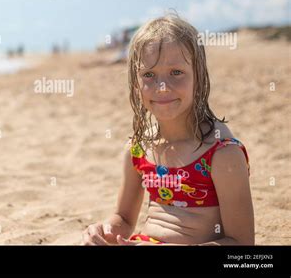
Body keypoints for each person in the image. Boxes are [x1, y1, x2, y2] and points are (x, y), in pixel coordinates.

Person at [82, 14, 254, 246]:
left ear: (199, 77)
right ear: (136, 82)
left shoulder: (222, 154)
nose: (162, 88)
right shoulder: (139, 148)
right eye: (149, 75)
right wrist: (104, 231)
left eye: (176, 72)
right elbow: (123, 218)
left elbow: (241, 245)